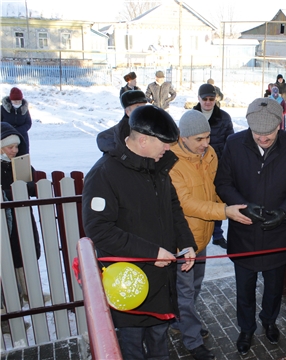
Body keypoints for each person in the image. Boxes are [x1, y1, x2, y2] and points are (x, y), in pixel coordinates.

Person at [82, 105, 197, 359]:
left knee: (159, 344)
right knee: (131, 349)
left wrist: (186, 243)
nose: (168, 149)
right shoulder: (103, 174)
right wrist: (151, 252)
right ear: (143, 140)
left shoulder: (158, 165)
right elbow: (99, 230)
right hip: (129, 285)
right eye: (164, 144)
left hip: (160, 282)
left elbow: (173, 208)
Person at [214, 98, 286, 355]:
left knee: (273, 289)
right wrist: (243, 205)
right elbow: (223, 183)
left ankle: (269, 321)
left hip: (279, 233)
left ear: (280, 125)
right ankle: (246, 329)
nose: (263, 138)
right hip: (244, 231)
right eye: (257, 133)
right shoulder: (234, 144)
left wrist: (285, 212)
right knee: (244, 289)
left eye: (269, 133)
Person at [169, 110, 249, 360]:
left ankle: (181, 321)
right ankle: (192, 341)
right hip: (182, 242)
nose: (206, 144)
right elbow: (187, 204)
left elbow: (216, 188)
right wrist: (225, 211)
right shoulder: (171, 162)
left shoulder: (210, 153)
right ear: (183, 137)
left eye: (208, 137)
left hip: (201, 238)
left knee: (193, 288)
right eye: (199, 139)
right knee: (184, 292)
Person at [1, 122, 41, 305]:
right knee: (9, 256)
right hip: (5, 221)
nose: (15, 150)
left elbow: (35, 186)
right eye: (10, 147)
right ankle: (13, 297)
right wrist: (15, 192)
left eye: (17, 146)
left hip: (23, 217)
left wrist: (28, 187)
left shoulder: (20, 163)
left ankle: (29, 292)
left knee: (25, 251)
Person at [193, 83, 235, 249]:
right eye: (205, 99)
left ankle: (217, 234)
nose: (208, 102)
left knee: (216, 198)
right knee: (196, 199)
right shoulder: (191, 116)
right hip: (195, 165)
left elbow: (229, 142)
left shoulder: (224, 117)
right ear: (199, 99)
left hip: (216, 166)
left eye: (212, 98)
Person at [1, 87, 31, 155]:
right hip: (6, 137)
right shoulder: (2, 109)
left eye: (19, 101)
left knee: (23, 155)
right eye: (15, 101)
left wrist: (18, 131)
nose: (17, 103)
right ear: (11, 100)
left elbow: (28, 123)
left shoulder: (24, 109)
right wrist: (8, 131)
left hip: (22, 136)